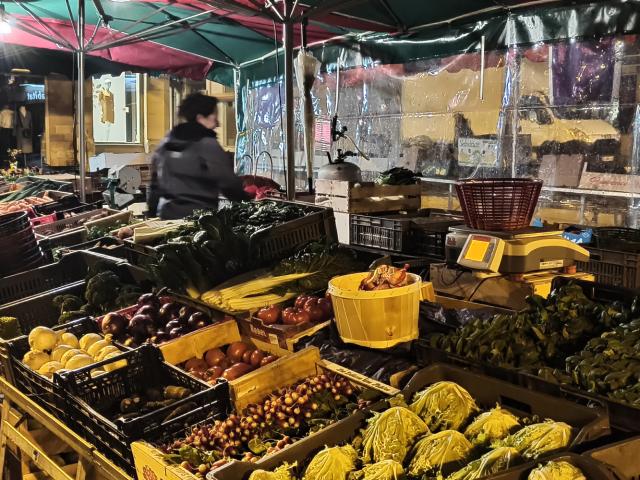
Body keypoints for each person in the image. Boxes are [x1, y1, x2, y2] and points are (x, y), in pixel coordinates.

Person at [148, 93, 248, 219]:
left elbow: (154, 186)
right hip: (198, 219)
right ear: (200, 117)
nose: (218, 123)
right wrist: (247, 203)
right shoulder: (207, 144)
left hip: (166, 216)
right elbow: (227, 182)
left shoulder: (165, 143)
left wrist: (151, 216)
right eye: (214, 116)